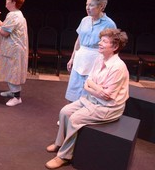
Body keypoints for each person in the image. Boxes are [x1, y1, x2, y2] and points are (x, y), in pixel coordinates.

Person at [45, 28, 129, 169]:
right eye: (101, 40)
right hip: (92, 100)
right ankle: (59, 143)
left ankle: (64, 156)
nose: (100, 43)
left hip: (107, 107)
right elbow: (88, 82)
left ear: (114, 47)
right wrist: (95, 88)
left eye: (104, 41)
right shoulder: (99, 58)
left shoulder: (118, 67)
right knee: (65, 111)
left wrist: (92, 87)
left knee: (75, 118)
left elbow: (107, 95)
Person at [65, 0, 117, 103]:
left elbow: (111, 48)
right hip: (81, 57)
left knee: (88, 93)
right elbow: (79, 40)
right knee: (74, 89)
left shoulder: (109, 24)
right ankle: (70, 117)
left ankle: (82, 118)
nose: (87, 8)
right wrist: (72, 57)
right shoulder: (85, 20)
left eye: (91, 5)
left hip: (96, 60)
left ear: (101, 6)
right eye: (86, 4)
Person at [0, 0, 28, 107]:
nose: (6, 1)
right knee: (10, 72)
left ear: (13, 2)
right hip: (13, 49)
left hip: (14, 50)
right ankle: (13, 91)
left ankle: (17, 97)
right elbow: (6, 27)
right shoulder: (15, 14)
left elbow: (4, 32)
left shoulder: (14, 15)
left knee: (13, 72)